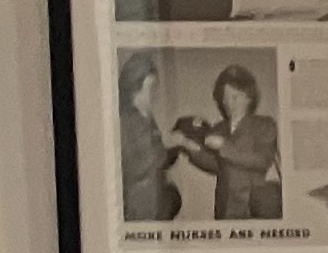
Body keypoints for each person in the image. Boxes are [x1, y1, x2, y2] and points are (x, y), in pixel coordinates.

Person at [166, 62, 281, 222]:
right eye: (225, 97)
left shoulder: (264, 125)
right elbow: (215, 165)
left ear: (249, 97)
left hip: (254, 208)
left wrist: (224, 146)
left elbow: (262, 160)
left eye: (235, 97)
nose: (228, 103)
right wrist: (188, 145)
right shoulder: (219, 128)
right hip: (224, 209)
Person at [114, 54, 180, 224]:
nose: (155, 94)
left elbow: (157, 158)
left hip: (153, 202)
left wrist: (174, 148)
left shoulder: (146, 117)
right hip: (139, 207)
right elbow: (135, 165)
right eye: (151, 88)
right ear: (135, 88)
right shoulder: (127, 120)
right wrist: (169, 145)